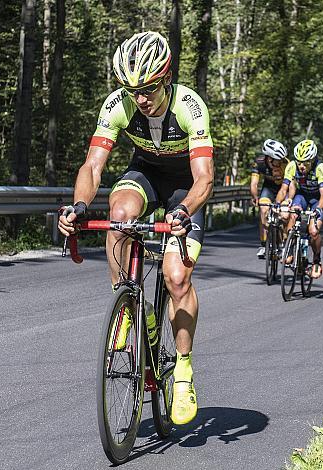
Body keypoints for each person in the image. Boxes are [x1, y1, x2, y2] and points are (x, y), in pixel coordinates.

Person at [58, 32, 213, 426]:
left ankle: (181, 368)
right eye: (132, 89)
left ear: (167, 77)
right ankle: (127, 304)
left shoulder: (189, 106)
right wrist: (78, 206)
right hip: (144, 172)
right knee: (120, 214)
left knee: (176, 278)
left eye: (148, 89)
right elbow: (93, 166)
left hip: (184, 185)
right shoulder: (118, 104)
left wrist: (184, 211)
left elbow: (204, 179)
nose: (140, 98)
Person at [275, 139, 323, 278]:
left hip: (317, 199)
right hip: (302, 196)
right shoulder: (292, 166)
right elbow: (284, 188)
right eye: (299, 162)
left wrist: (318, 210)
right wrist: (277, 203)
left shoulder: (320, 167)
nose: (301, 166)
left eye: (305, 162)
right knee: (291, 215)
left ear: (313, 159)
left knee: (313, 231)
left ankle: (317, 260)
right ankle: (290, 249)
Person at [250, 139, 287, 258]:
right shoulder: (259, 163)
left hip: (283, 189)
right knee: (263, 210)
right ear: (269, 158)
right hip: (269, 189)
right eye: (278, 160)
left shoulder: (286, 163)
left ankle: (284, 243)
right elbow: (254, 184)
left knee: (284, 214)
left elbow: (291, 184)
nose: (280, 162)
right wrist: (255, 196)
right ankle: (263, 244)